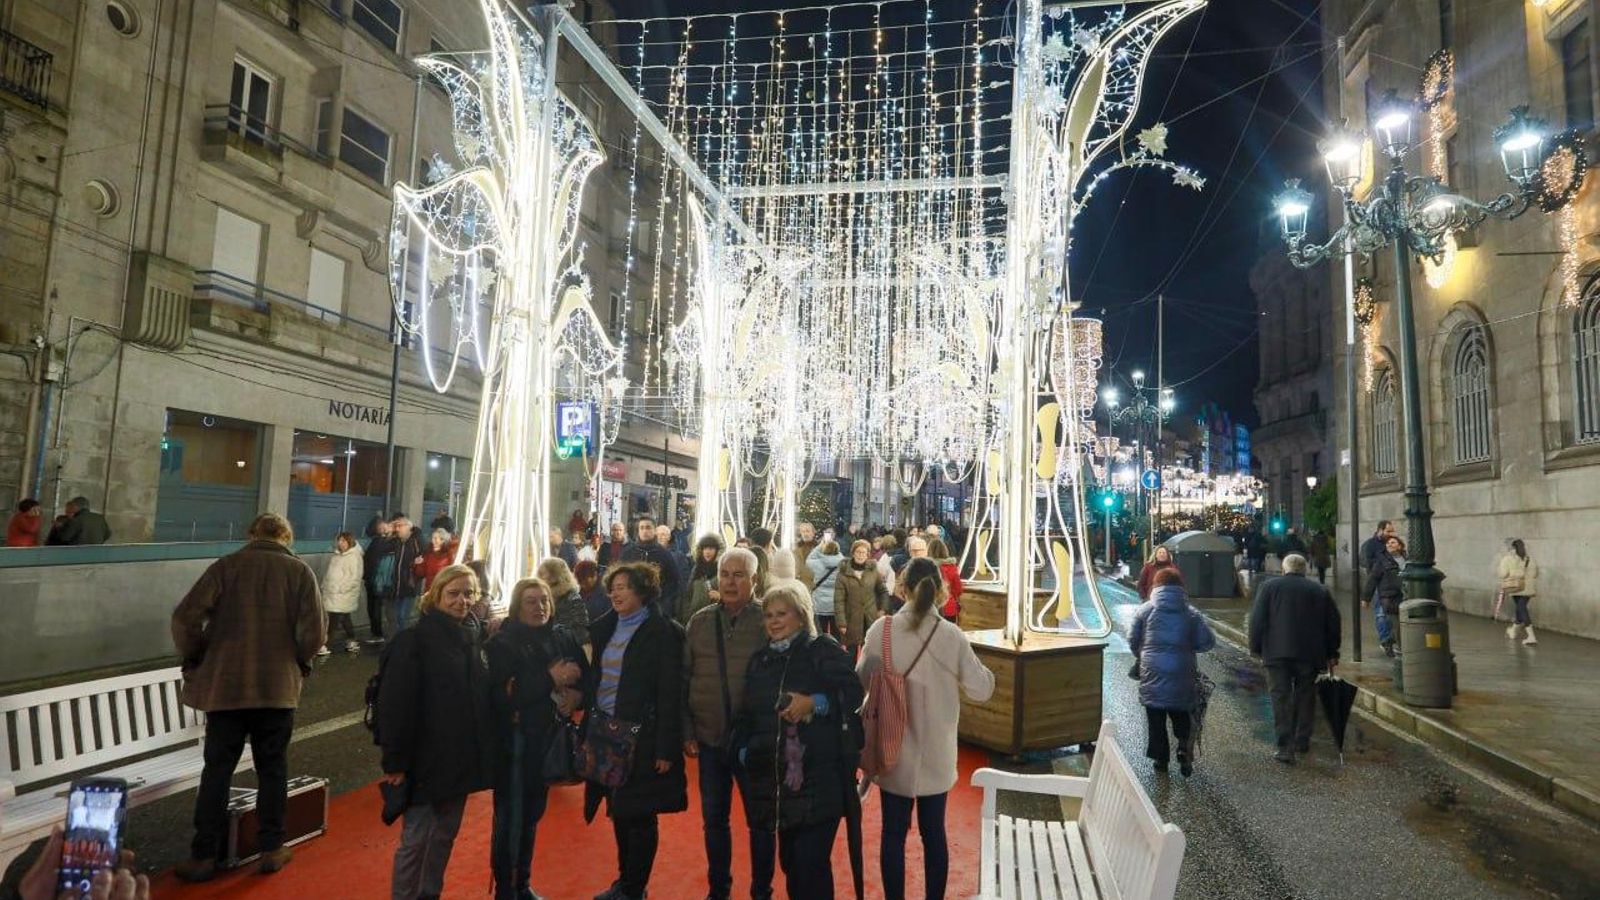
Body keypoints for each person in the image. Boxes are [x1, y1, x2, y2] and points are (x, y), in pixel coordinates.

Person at [171, 512, 325, 882]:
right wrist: (299, 660)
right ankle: (272, 847)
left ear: (251, 533)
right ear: (286, 537)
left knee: (217, 771)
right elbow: (315, 632)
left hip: (227, 687)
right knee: (272, 768)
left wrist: (197, 653)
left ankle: (204, 854)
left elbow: (184, 618)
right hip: (276, 689)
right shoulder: (300, 572)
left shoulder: (226, 567)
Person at [857, 558, 994, 900]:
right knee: (934, 833)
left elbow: (860, 680)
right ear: (941, 590)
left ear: (902, 588)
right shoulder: (952, 636)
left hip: (892, 749)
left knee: (893, 833)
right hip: (937, 751)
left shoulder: (882, 631)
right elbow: (982, 688)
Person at [735, 582, 864, 900]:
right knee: (792, 865)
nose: (774, 621)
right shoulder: (761, 660)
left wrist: (814, 703)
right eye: (768, 615)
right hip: (778, 783)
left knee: (810, 868)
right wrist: (745, 751)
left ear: (801, 615)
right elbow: (748, 713)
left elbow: (852, 696)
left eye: (782, 614)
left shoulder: (823, 650)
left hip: (820, 780)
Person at [378, 564, 496, 900]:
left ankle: (429, 894)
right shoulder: (414, 641)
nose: (462, 600)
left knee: (443, 836)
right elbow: (395, 705)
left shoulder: (470, 639)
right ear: (435, 596)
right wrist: (395, 762)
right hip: (424, 761)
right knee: (417, 840)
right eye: (454, 593)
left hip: (457, 759)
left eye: (469, 593)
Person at [583, 561, 688, 900]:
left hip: (642, 735)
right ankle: (624, 881)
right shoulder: (605, 627)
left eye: (624, 586)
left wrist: (665, 748)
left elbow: (671, 692)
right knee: (618, 810)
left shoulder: (663, 631)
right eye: (613, 587)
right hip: (606, 731)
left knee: (639, 814)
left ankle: (634, 887)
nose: (615, 593)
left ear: (643, 590)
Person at [681, 546, 774, 900]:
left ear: (754, 579)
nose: (730, 581)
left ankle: (761, 891)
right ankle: (718, 889)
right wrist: (687, 731)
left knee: (761, 823)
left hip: (754, 743)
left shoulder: (768, 619)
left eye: (738, 575)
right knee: (714, 822)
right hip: (709, 740)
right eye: (725, 574)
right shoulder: (700, 622)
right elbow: (684, 678)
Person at [487, 577, 587, 900]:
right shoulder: (503, 643)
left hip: (546, 739)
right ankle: (506, 889)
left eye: (544, 599)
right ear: (517, 606)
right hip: (515, 744)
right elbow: (504, 697)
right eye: (531, 600)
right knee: (511, 818)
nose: (539, 606)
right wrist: (550, 678)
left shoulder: (561, 636)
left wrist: (577, 697)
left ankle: (521, 883)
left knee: (531, 815)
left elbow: (585, 677)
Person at [1249, 554, 1341, 763]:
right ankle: (1302, 739)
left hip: (1276, 652)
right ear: (1304, 569)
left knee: (1280, 697)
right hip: (1309, 653)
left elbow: (1257, 620)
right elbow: (1333, 624)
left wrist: (1255, 647)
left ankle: (1284, 746)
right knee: (1306, 696)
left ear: (1284, 569)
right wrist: (1332, 653)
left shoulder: (1269, 587)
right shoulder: (1319, 590)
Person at [1128, 567, 1215, 776]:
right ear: (1180, 587)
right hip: (1182, 670)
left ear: (1156, 586)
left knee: (1155, 717)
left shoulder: (1145, 610)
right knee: (1181, 712)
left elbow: (1132, 639)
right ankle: (1184, 746)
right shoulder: (1192, 613)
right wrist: (1188, 647)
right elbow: (1207, 642)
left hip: (1152, 670)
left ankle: (1161, 760)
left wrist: (1142, 653)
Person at [620, 517, 682, 620]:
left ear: (654, 531)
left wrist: (663, 603)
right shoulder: (628, 553)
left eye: (648, 527)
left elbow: (674, 581)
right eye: (642, 528)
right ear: (638, 531)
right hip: (631, 606)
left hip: (657, 607)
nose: (645, 531)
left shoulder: (664, 554)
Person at [836, 539, 890, 654]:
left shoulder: (873, 571)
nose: (861, 555)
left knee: (870, 651)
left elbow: (883, 591)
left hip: (870, 617)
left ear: (867, 555)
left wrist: (882, 609)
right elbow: (839, 600)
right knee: (851, 653)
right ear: (853, 553)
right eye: (858, 552)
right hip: (852, 618)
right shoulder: (843, 573)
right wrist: (841, 622)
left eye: (863, 553)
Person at [1364, 535, 1405, 657]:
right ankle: (1400, 650)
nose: (1389, 545)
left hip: (1405, 596)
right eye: (1388, 544)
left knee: (1404, 624)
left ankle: (1387, 641)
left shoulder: (1407, 559)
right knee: (1397, 623)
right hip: (1389, 597)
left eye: (1393, 542)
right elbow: (1372, 579)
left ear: (1400, 545)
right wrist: (1366, 598)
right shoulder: (1382, 561)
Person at [535, 556, 592, 645]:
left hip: (563, 652)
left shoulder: (572, 599)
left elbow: (580, 634)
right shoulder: (541, 596)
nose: (540, 578)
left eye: (543, 574)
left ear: (554, 576)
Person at [324, 531, 365, 654]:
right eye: (339, 540)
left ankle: (326, 645)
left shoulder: (354, 557)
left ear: (349, 542)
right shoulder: (336, 555)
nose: (340, 543)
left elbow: (355, 578)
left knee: (334, 619)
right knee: (344, 618)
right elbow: (329, 573)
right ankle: (352, 640)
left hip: (342, 594)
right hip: (332, 593)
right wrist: (325, 585)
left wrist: (340, 589)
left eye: (343, 541)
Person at [385, 516, 426, 634]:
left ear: (409, 527)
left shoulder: (416, 540)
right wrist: (389, 531)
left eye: (400, 526)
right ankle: (401, 640)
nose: (398, 529)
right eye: (396, 526)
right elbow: (383, 547)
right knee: (397, 616)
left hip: (410, 584)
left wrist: (416, 565)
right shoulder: (397, 541)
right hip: (397, 584)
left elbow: (424, 554)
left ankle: (405, 641)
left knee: (403, 616)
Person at [1497, 538, 1539, 646]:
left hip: (1515, 587)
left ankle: (1531, 636)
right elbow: (1535, 573)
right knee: (1520, 608)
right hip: (1528, 588)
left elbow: (1503, 574)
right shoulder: (1530, 559)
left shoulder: (1507, 559)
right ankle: (1513, 632)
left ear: (1512, 548)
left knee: (1521, 608)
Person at [363, 519, 398, 645]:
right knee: (374, 608)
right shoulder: (380, 542)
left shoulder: (376, 542)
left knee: (375, 608)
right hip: (375, 580)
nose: (388, 527)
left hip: (375, 580)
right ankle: (377, 633)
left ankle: (377, 633)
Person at [679, 533, 725, 627]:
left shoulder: (723, 570)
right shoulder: (697, 569)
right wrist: (686, 615)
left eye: (711, 549)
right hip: (694, 617)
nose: (707, 552)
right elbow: (688, 594)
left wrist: (721, 598)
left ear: (717, 551)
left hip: (715, 619)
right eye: (705, 548)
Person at [806, 539, 845, 636]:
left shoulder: (817, 563)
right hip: (835, 605)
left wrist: (819, 546)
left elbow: (808, 559)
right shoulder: (843, 564)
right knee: (836, 635)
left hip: (819, 605)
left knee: (820, 634)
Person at [45, 496, 111, 545]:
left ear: (76, 507)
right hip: (96, 553)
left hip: (77, 554)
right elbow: (108, 534)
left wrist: (60, 527)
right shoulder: (99, 518)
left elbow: (65, 537)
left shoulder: (77, 519)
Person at [927, 537, 963, 621]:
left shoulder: (927, 567)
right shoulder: (952, 567)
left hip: (930, 607)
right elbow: (958, 589)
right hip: (949, 606)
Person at [576, 559, 609, 625]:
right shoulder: (582, 592)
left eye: (585, 582)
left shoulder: (606, 591)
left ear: (595, 575)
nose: (583, 585)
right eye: (580, 582)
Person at [791, 521, 819, 591]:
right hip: (799, 587)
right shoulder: (795, 550)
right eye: (803, 531)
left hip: (815, 587)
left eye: (807, 531)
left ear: (813, 533)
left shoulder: (819, 550)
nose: (805, 534)